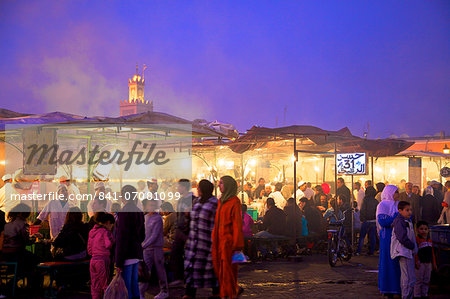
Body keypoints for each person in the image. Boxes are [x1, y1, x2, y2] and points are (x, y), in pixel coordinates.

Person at [184, 179, 219, 299]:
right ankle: (189, 293)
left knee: (210, 268)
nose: (197, 189)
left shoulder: (215, 203)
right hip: (194, 242)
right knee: (192, 268)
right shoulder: (196, 201)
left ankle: (216, 292)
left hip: (208, 241)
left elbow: (218, 222)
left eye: (199, 187)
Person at [212, 176, 244, 299]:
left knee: (228, 270)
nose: (219, 186)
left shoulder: (234, 202)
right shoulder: (220, 201)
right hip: (218, 241)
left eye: (221, 183)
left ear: (228, 186)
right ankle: (225, 293)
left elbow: (237, 224)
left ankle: (230, 294)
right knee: (219, 269)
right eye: (219, 183)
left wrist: (237, 244)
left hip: (228, 242)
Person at [115, 185, 145, 299]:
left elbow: (121, 238)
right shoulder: (138, 211)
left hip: (126, 255)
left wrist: (118, 262)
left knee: (127, 286)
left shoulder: (124, 212)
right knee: (134, 284)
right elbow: (143, 235)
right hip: (136, 252)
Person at [1, 203, 40, 287]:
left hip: (5, 255)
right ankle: (31, 286)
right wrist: (34, 238)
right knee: (35, 260)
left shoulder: (7, 225)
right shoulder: (23, 224)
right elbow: (26, 241)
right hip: (17, 254)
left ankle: (13, 282)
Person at [140, 199, 169, 299]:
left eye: (153, 205)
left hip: (156, 248)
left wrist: (143, 245)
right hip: (146, 249)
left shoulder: (158, 218)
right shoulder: (145, 217)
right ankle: (141, 292)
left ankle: (164, 291)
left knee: (160, 270)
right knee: (145, 271)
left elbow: (155, 235)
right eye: (150, 205)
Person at [376, 185, 401, 297]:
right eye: (396, 192)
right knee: (388, 262)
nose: (397, 194)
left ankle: (397, 287)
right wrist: (396, 217)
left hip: (398, 237)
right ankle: (387, 288)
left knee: (397, 262)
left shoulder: (398, 204)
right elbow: (383, 222)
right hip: (387, 237)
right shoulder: (383, 205)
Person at [169, 179, 194, 287]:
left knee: (190, 255)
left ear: (184, 187)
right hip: (179, 231)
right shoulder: (180, 200)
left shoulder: (193, 200)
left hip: (188, 231)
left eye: (179, 186)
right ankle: (178, 278)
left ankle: (190, 279)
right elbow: (179, 216)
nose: (177, 188)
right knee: (175, 253)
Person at [391, 201, 417, 299]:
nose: (409, 212)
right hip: (404, 252)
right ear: (400, 211)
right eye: (407, 210)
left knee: (409, 277)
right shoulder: (400, 221)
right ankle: (406, 296)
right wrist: (411, 246)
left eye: (410, 210)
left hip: (407, 252)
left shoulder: (407, 221)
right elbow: (402, 237)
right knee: (407, 278)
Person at [88, 212, 115, 299]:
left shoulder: (92, 231)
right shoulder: (105, 232)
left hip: (93, 260)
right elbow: (108, 245)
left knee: (95, 283)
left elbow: (89, 249)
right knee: (105, 283)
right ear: (107, 222)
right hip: (103, 259)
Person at [414, 221, 436, 298]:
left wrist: (434, 263)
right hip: (420, 263)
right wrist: (416, 261)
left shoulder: (430, 241)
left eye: (425, 229)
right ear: (417, 230)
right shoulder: (417, 240)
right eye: (421, 229)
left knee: (426, 280)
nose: (423, 231)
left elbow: (432, 252)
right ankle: (417, 295)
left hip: (428, 263)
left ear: (428, 230)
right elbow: (415, 252)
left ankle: (424, 294)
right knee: (419, 280)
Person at [357, 186, 378, 255]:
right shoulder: (375, 201)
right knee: (372, 237)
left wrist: (362, 219)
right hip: (374, 220)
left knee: (362, 236)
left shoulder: (365, 200)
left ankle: (359, 251)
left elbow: (363, 210)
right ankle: (371, 251)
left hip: (366, 220)